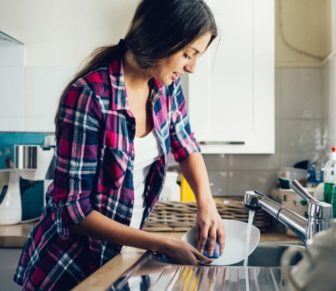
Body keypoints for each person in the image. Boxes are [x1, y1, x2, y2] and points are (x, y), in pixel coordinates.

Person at [14, 0, 225, 289]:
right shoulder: (89, 96)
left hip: (120, 258)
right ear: (161, 39)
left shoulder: (165, 87)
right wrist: (159, 243)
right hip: (68, 267)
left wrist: (207, 204)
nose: (192, 68)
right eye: (188, 54)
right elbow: (73, 210)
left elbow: (185, 145)